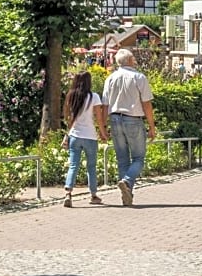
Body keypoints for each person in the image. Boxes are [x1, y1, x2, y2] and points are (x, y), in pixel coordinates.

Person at [101, 48, 157, 206]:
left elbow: (105, 104)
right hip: (133, 119)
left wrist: (103, 127)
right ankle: (127, 181)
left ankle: (127, 194)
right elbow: (146, 104)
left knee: (122, 159)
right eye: (133, 58)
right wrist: (152, 126)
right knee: (139, 158)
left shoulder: (110, 78)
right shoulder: (139, 77)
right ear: (130, 61)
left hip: (115, 119)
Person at [61, 71, 108, 207]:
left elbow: (69, 118)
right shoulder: (94, 97)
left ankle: (68, 193)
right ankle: (93, 195)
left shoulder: (71, 96)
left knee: (73, 165)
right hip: (90, 136)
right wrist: (103, 133)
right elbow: (99, 118)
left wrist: (68, 133)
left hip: (75, 135)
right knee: (91, 167)